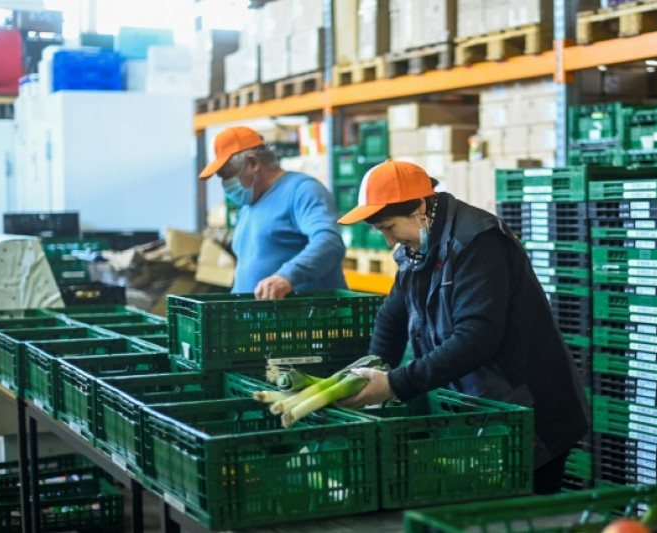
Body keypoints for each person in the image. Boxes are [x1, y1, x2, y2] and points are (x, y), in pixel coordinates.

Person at [336, 159, 590, 494]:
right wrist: (370, 373)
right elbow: (392, 317)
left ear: (418, 209)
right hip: (480, 406)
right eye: (379, 231)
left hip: (528, 412)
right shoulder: (419, 249)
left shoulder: (478, 242)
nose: (387, 242)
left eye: (389, 227)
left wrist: (396, 384)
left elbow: (476, 339)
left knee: (523, 515)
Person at [199, 126, 347, 298]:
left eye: (226, 174)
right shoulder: (248, 207)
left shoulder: (302, 190)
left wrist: (285, 277)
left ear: (253, 163)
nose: (225, 183)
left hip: (304, 319)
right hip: (259, 322)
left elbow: (329, 242)